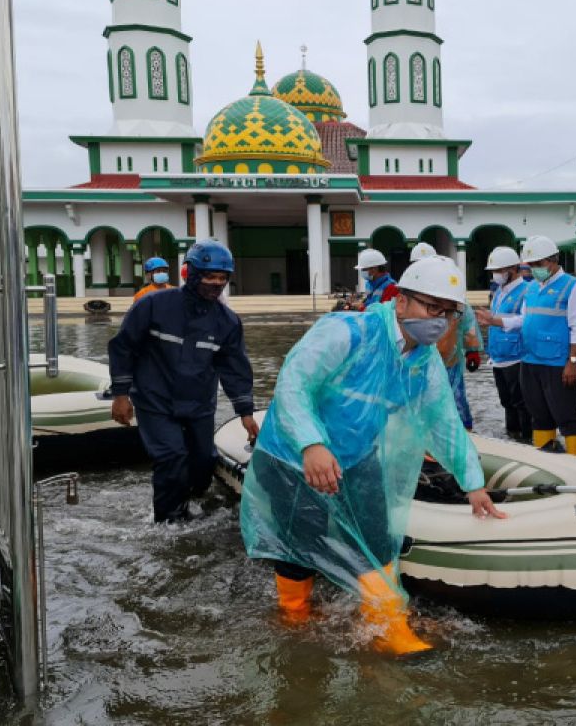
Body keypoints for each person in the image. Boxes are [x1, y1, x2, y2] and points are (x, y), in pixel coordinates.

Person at [240, 255, 505, 657]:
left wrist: (472, 484)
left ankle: (387, 624)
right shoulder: (348, 332)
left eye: (448, 312)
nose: (440, 319)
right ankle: (294, 618)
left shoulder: (424, 360)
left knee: (378, 536)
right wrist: (311, 445)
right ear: (401, 302)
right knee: (301, 541)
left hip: (357, 454)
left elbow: (444, 422)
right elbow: (294, 383)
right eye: (431, 307)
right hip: (293, 455)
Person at [108, 240, 258, 522]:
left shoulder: (226, 322)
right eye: (209, 277)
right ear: (191, 273)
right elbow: (123, 347)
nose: (215, 284)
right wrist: (120, 395)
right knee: (172, 457)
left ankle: (190, 499)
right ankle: (168, 523)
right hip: (156, 400)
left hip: (198, 403)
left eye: (222, 279)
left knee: (203, 462)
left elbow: (235, 368)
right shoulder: (153, 305)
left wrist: (246, 413)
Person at [477, 235, 576, 456]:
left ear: (554, 259)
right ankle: (546, 459)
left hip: (557, 363)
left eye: (539, 264)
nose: (535, 268)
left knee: (568, 416)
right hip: (529, 361)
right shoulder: (534, 289)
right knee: (539, 416)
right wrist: (494, 320)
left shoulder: (573, 287)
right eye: (532, 265)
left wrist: (572, 362)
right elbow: (523, 321)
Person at [410, 245, 481, 430]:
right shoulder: (410, 300)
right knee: (420, 405)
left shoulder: (457, 301)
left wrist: (473, 352)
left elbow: (469, 326)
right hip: (418, 363)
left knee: (455, 402)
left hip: (450, 363)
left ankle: (462, 438)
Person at [482, 246, 532, 442]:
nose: (496, 275)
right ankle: (512, 436)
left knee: (521, 402)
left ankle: (526, 441)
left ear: (512, 269)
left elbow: (525, 321)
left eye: (499, 271)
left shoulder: (526, 291)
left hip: (516, 356)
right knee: (506, 401)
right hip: (498, 356)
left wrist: (495, 321)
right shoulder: (499, 292)